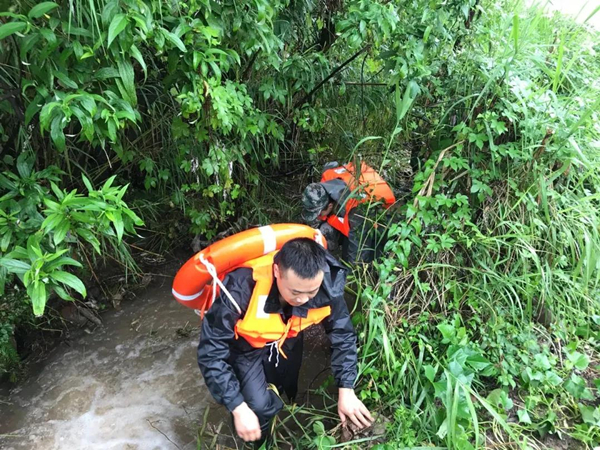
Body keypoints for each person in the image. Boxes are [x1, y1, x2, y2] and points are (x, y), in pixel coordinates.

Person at [197, 238, 373, 446]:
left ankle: (276, 413)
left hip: (287, 338)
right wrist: (238, 407)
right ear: (276, 272)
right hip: (246, 347)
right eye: (295, 292)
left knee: (285, 386)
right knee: (257, 406)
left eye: (311, 292)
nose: (304, 300)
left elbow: (342, 334)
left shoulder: (326, 284)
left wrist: (346, 388)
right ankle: (258, 441)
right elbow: (211, 353)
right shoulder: (240, 289)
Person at [301, 161, 396, 263]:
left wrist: (351, 274)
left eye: (319, 214)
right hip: (348, 217)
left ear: (330, 206)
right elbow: (333, 164)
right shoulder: (324, 185)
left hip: (377, 224)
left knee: (361, 257)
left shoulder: (356, 209)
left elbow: (358, 251)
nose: (317, 217)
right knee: (325, 229)